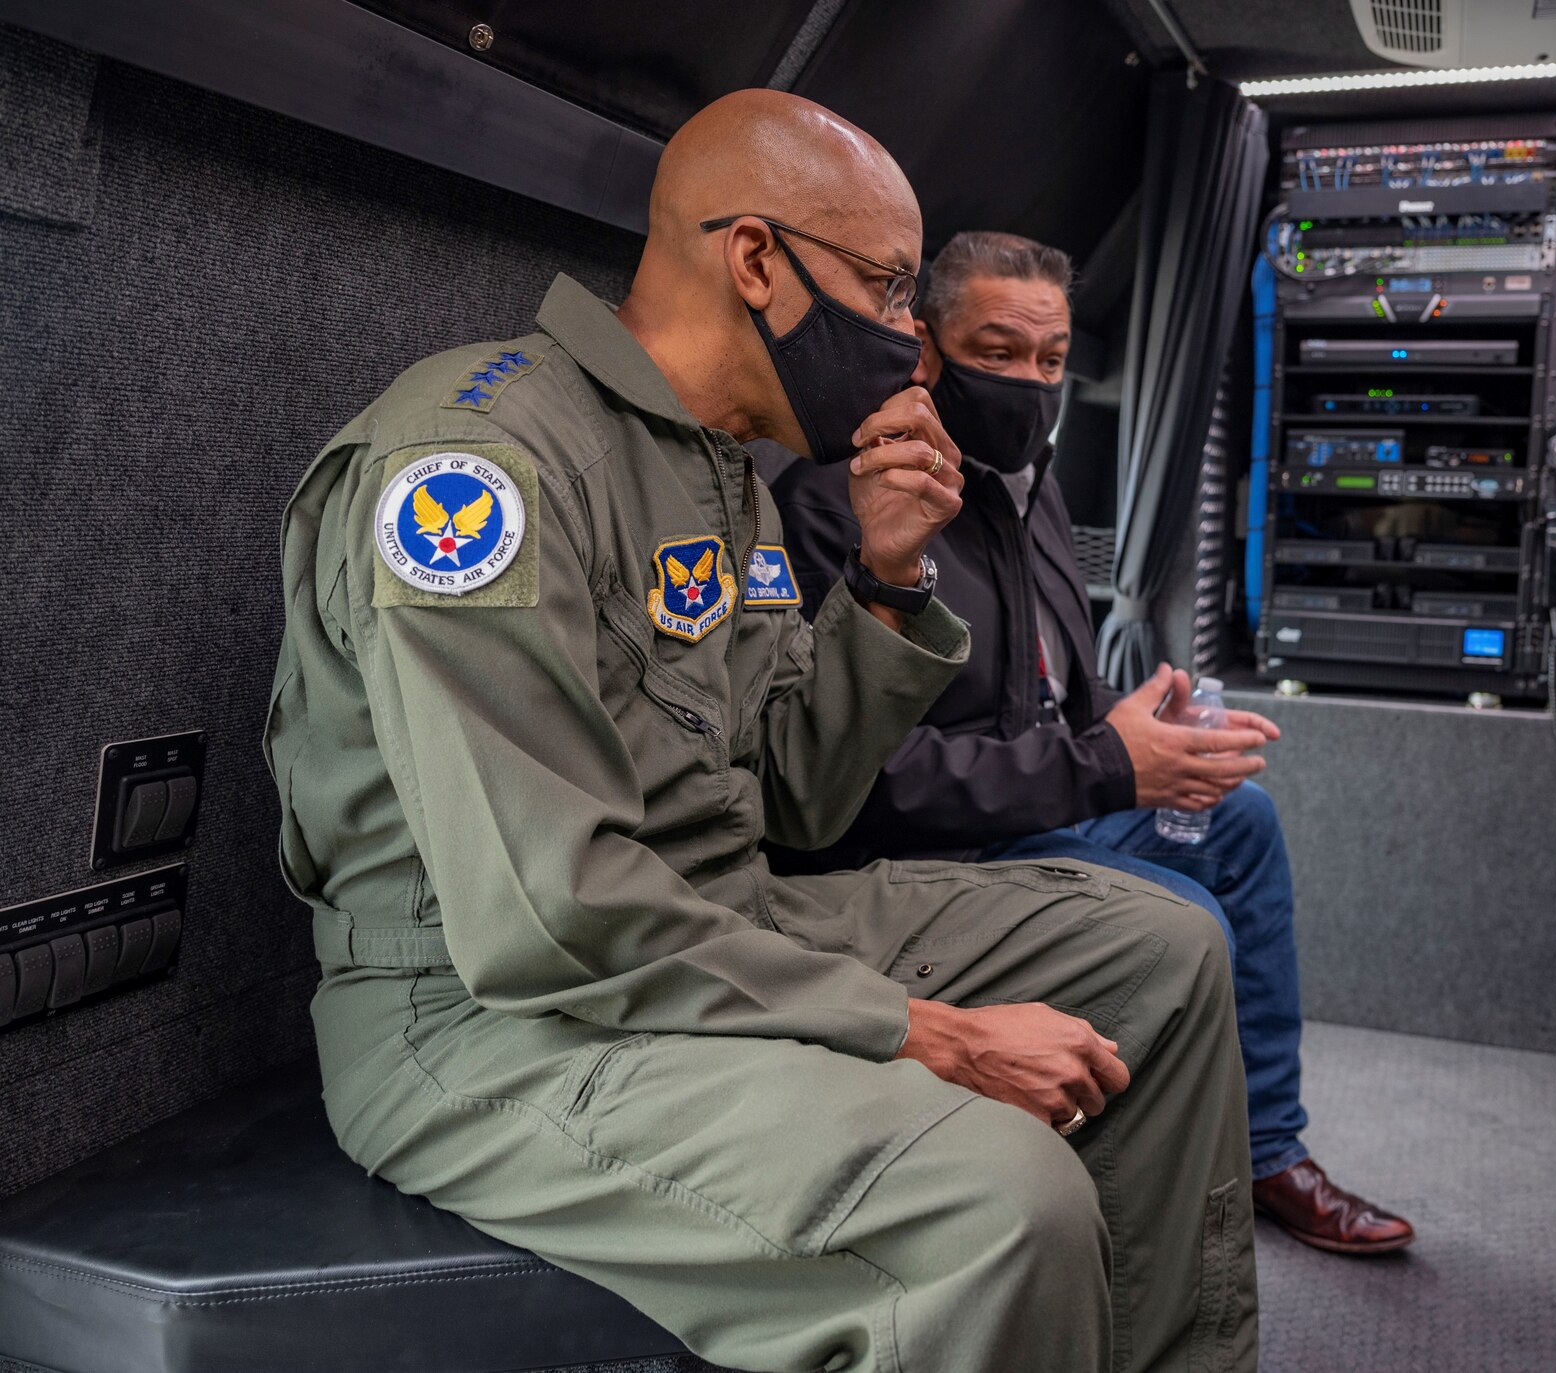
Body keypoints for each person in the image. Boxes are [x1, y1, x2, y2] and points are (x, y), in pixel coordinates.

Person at [264, 93, 1257, 1373]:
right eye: (892, 290)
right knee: (998, 1201)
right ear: (754, 262)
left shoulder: (724, 474)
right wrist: (921, 1028)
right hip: (484, 1014)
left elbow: (791, 798)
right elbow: (549, 912)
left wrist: (892, 582)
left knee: (1163, 949)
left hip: (721, 923)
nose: (912, 347)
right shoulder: (478, 464)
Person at [773, 230, 1415, 1256]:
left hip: (1041, 811)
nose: (1031, 381)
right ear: (928, 350)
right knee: (1182, 911)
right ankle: (1143, 1217)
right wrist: (1107, 765)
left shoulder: (1033, 498)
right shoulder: (837, 505)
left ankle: (1264, 1150)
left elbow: (1049, 694)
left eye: (1050, 357)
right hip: (924, 855)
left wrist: (1143, 730)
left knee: (1238, 822)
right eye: (999, 351)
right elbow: (853, 782)